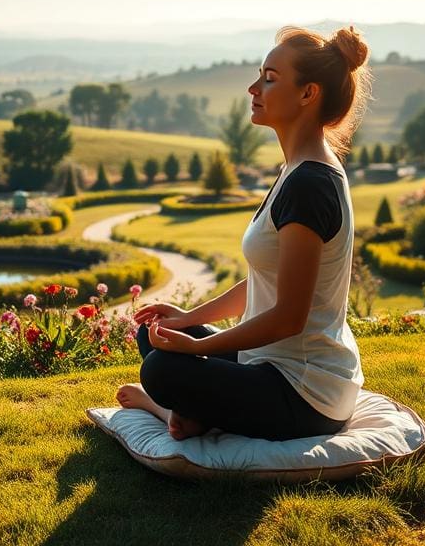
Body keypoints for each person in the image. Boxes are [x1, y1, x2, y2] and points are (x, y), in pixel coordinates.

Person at [116, 25, 371, 441]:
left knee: (161, 369)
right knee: (156, 332)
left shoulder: (310, 185)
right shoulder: (296, 171)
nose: (254, 88)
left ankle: (168, 410)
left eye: (269, 79)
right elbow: (263, 281)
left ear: (308, 94)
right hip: (270, 364)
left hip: (305, 393)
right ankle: (192, 414)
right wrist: (188, 320)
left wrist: (197, 348)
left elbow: (289, 317)